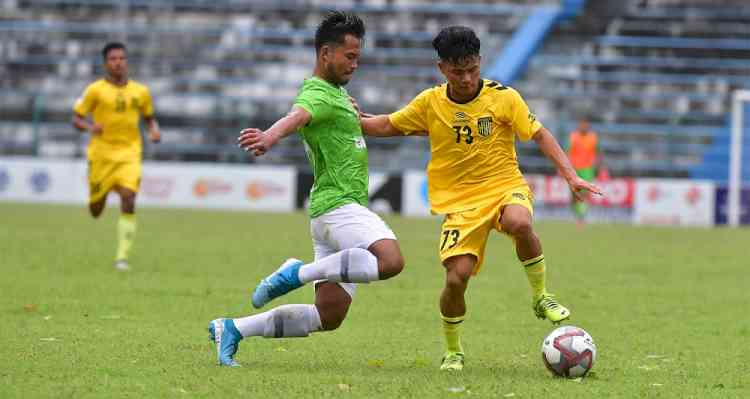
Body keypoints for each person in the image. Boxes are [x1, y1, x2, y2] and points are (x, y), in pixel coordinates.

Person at [357, 26, 602, 371]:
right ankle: (453, 350)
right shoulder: (430, 103)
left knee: (519, 221)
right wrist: (352, 118)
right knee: (456, 278)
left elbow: (540, 134)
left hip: (504, 185)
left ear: (480, 62)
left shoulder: (504, 97)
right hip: (460, 205)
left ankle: (540, 295)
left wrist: (571, 176)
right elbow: (387, 125)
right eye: (458, 71)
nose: (468, 78)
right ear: (442, 68)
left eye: (473, 68)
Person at [207, 11, 405, 367]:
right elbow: (298, 115)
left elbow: (336, 120)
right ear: (325, 53)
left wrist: (357, 113)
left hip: (331, 213)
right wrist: (269, 136)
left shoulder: (337, 94)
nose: (355, 64)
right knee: (390, 261)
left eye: (358, 57)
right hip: (339, 206)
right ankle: (296, 272)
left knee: (327, 316)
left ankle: (232, 328)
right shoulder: (317, 92)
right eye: (349, 56)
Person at [73, 42, 161, 271]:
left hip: (130, 153)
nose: (118, 62)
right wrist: (90, 127)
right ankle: (96, 197)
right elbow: (77, 118)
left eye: (122, 58)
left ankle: (122, 257)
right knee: (96, 210)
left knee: (129, 198)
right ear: (105, 63)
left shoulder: (140, 91)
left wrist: (153, 130)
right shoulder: (94, 90)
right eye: (113, 59)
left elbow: (149, 117)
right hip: (101, 155)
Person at [568, 118, 599, 226]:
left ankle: (581, 218)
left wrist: (599, 167)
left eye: (585, 124)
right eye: (582, 124)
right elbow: (567, 152)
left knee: (585, 195)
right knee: (574, 195)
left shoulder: (593, 137)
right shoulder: (573, 137)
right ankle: (578, 215)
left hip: (587, 169)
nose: (584, 126)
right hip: (574, 169)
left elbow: (597, 153)